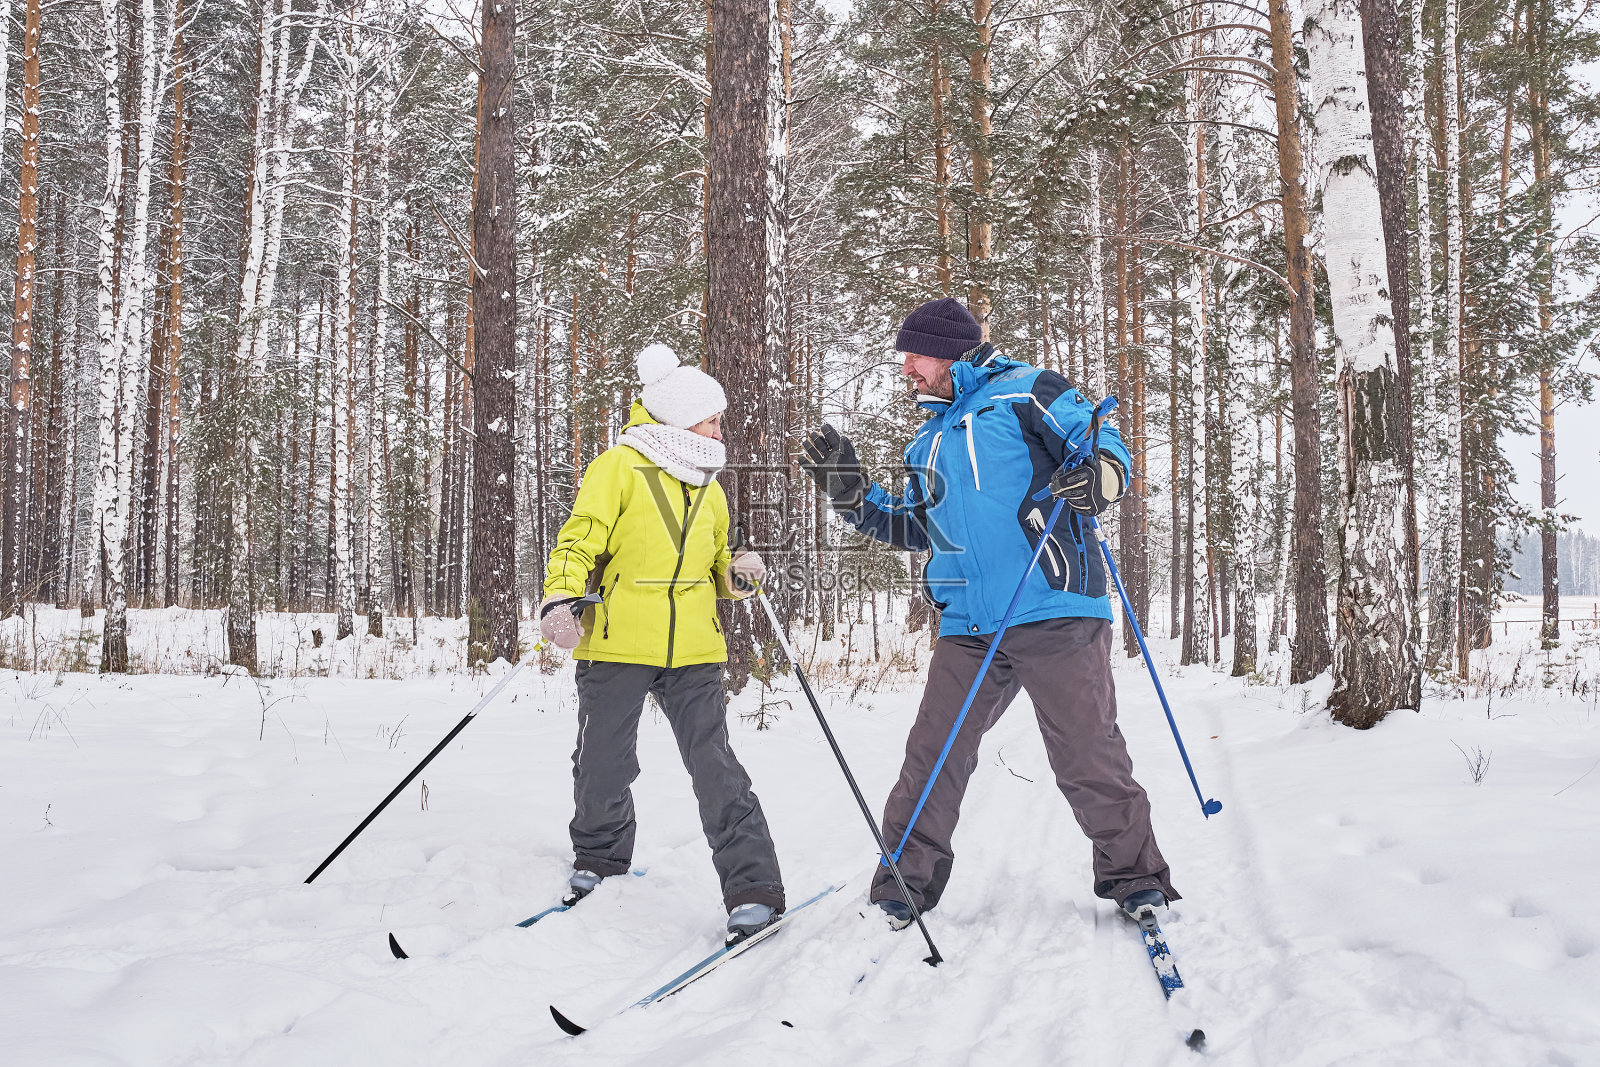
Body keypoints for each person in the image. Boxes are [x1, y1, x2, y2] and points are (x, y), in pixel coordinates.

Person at [798, 297, 1178, 930]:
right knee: (934, 753)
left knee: (1087, 754)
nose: (906, 370)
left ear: (948, 350)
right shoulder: (929, 438)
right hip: (969, 624)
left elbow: (1102, 441)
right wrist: (856, 496)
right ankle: (903, 885)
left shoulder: (1027, 391)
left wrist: (1103, 476)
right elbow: (920, 526)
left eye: (914, 356)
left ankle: (1136, 877)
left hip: (1052, 604)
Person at [539, 343, 786, 944]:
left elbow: (714, 568)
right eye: (710, 417)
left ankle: (753, 889)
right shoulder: (617, 467)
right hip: (619, 642)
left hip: (694, 651)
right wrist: (559, 599)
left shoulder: (712, 484)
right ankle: (599, 859)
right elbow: (579, 541)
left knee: (717, 769)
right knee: (603, 762)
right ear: (678, 417)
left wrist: (738, 574)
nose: (719, 427)